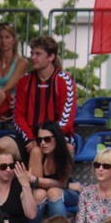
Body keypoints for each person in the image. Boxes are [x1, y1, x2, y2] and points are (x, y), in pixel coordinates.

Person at [12, 35, 76, 165]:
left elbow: (66, 119)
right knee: (0, 147)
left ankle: (59, 183)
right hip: (29, 137)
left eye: (38, 54)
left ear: (51, 57)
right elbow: (18, 115)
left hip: (56, 137)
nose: (33, 57)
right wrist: (30, 139)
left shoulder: (64, 80)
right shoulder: (24, 81)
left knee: (66, 149)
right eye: (32, 53)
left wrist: (44, 138)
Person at [30, 121, 77, 218]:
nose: (43, 143)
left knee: (53, 192)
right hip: (45, 193)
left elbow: (62, 183)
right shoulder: (36, 152)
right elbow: (38, 186)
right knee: (39, 194)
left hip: (65, 192)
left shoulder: (68, 150)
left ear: (57, 138)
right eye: (39, 140)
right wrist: (38, 181)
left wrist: (34, 179)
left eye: (47, 139)